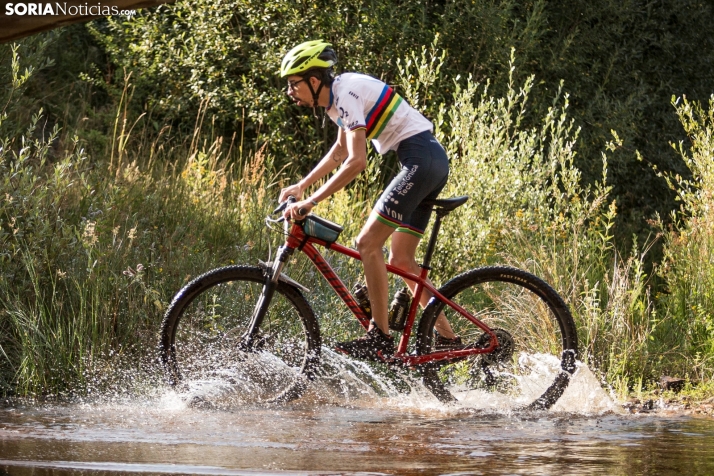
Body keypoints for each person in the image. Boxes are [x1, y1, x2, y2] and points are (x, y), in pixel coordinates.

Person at [278, 40, 460, 361]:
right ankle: (448, 338)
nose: (291, 92)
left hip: (420, 160)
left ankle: (380, 335)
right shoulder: (337, 101)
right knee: (402, 260)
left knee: (367, 243)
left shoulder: (346, 94)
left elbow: (356, 161)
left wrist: (312, 201)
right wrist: (302, 185)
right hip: (428, 161)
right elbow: (339, 152)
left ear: (314, 81)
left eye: (295, 84)